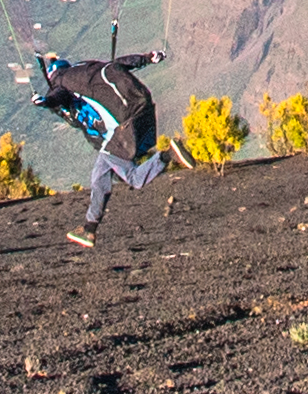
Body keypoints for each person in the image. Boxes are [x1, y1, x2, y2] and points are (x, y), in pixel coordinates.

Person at [32, 47, 192, 246]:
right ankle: (89, 229)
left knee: (134, 179)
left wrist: (46, 101)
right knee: (100, 173)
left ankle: (168, 155)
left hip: (124, 123)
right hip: (144, 109)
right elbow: (120, 64)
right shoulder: (88, 69)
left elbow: (60, 97)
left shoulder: (62, 83)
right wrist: (148, 58)